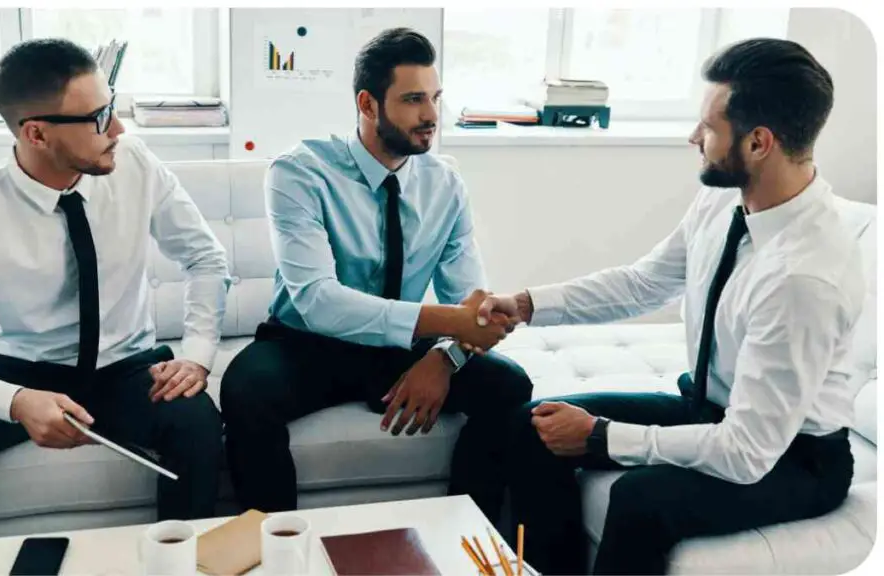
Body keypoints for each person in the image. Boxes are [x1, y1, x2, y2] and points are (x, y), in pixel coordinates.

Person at [478, 38, 864, 575]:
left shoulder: (804, 276)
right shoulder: (724, 196)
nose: (692, 138)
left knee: (641, 499)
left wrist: (599, 435)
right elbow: (644, 283)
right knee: (532, 426)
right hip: (709, 410)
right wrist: (526, 304)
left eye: (707, 128)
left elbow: (746, 452)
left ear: (758, 143)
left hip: (793, 458)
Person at [0, 39, 230, 575]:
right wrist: (16, 401)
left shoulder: (134, 164)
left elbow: (204, 258)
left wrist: (198, 355)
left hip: (127, 366)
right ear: (35, 133)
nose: (118, 130)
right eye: (97, 119)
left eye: (111, 107)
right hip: (23, 371)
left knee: (197, 425)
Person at [219, 27, 531, 521]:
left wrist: (445, 360)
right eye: (413, 100)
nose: (431, 116)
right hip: (306, 345)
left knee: (511, 386)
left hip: (400, 349)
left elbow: (470, 304)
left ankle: (463, 535)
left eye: (435, 98)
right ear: (367, 104)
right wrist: (451, 325)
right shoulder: (298, 173)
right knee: (244, 389)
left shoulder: (444, 183)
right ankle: (275, 546)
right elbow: (318, 300)